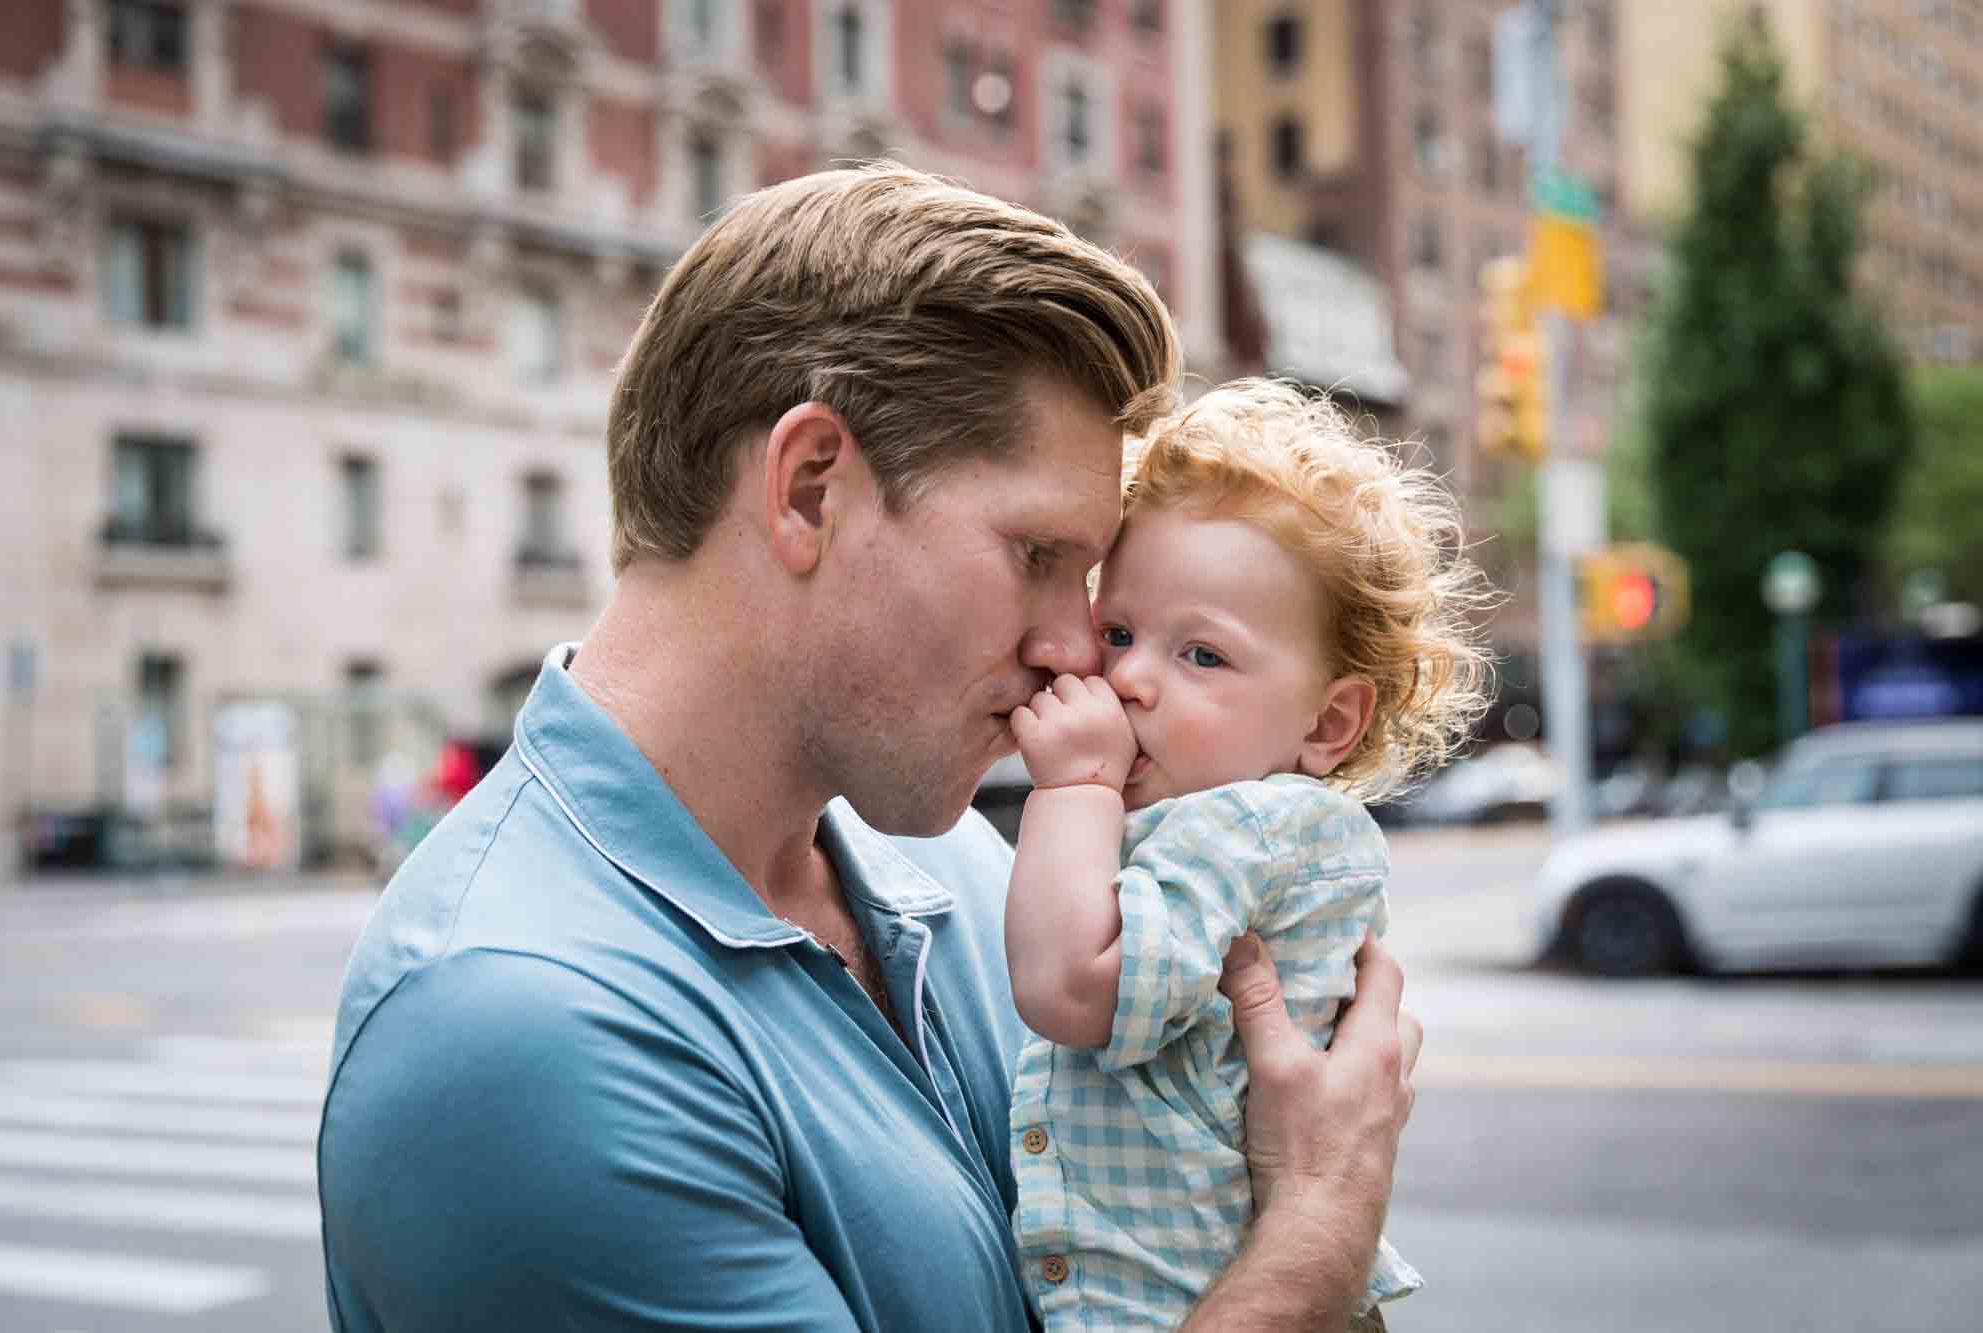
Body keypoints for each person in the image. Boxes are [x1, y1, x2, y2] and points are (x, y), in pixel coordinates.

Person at [318, 164, 1422, 1332]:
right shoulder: (521, 1035)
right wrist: (1317, 1218)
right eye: (1037, 557)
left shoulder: (965, 872)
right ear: (807, 490)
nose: (1073, 651)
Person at [1003, 381, 1491, 1330]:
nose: (1131, 678)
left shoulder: (1251, 828)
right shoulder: (1221, 823)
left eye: (1204, 656)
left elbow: (1071, 986)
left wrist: (1073, 790)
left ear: (1327, 721)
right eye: (1119, 632)